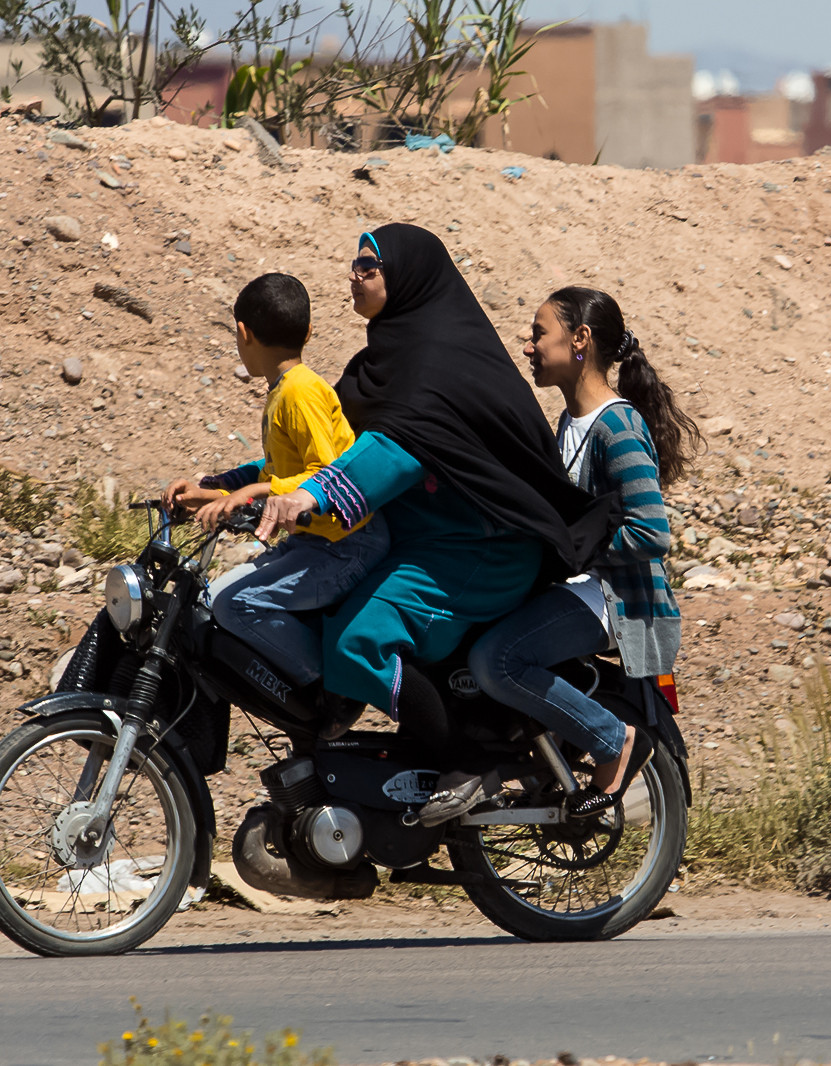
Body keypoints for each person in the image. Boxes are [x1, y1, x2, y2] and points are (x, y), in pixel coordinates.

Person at [256, 225, 615, 748]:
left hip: (483, 548)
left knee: (359, 639)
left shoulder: (436, 359)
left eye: (368, 267)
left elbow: (398, 449)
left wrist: (312, 496)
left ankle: (459, 761)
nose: (354, 277)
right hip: (427, 542)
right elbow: (338, 447)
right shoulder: (382, 362)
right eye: (354, 266)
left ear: (406, 277)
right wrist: (235, 486)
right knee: (323, 614)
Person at [434, 286, 700, 823]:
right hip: (584, 588)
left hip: (617, 599)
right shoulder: (568, 425)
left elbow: (651, 533)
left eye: (539, 333)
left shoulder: (617, 426)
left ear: (580, 340)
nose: (528, 346)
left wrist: (580, 551)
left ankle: (615, 742)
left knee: (498, 660)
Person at [163, 272, 389, 686]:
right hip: (317, 544)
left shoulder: (300, 393)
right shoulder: (286, 389)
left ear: (242, 332)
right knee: (213, 600)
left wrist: (251, 491)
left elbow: (328, 475)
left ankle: (326, 689)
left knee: (235, 606)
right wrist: (207, 492)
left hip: (346, 546)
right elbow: (277, 472)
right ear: (308, 332)